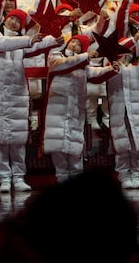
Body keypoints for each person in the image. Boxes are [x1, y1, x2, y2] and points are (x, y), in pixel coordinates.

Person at [0, 7, 56, 195]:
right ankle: (4, 178)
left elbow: (37, 46)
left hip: (17, 93)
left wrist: (55, 39)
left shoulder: (22, 44)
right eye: (12, 19)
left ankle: (19, 177)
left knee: (17, 139)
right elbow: (0, 44)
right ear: (5, 19)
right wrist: (28, 40)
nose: (14, 23)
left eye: (18, 21)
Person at [90, 32, 139, 191]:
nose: (124, 56)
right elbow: (95, 76)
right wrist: (112, 68)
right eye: (121, 52)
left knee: (137, 145)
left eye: (127, 52)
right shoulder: (110, 67)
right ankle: (124, 175)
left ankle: (137, 175)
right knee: (122, 145)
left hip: (137, 113)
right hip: (119, 112)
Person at [41, 34, 93, 182]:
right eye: (72, 42)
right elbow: (60, 64)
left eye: (78, 44)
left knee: (75, 146)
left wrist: (112, 69)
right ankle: (62, 176)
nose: (73, 45)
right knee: (57, 145)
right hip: (57, 111)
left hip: (76, 111)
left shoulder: (84, 66)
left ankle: (77, 178)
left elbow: (95, 73)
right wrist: (84, 56)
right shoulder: (56, 56)